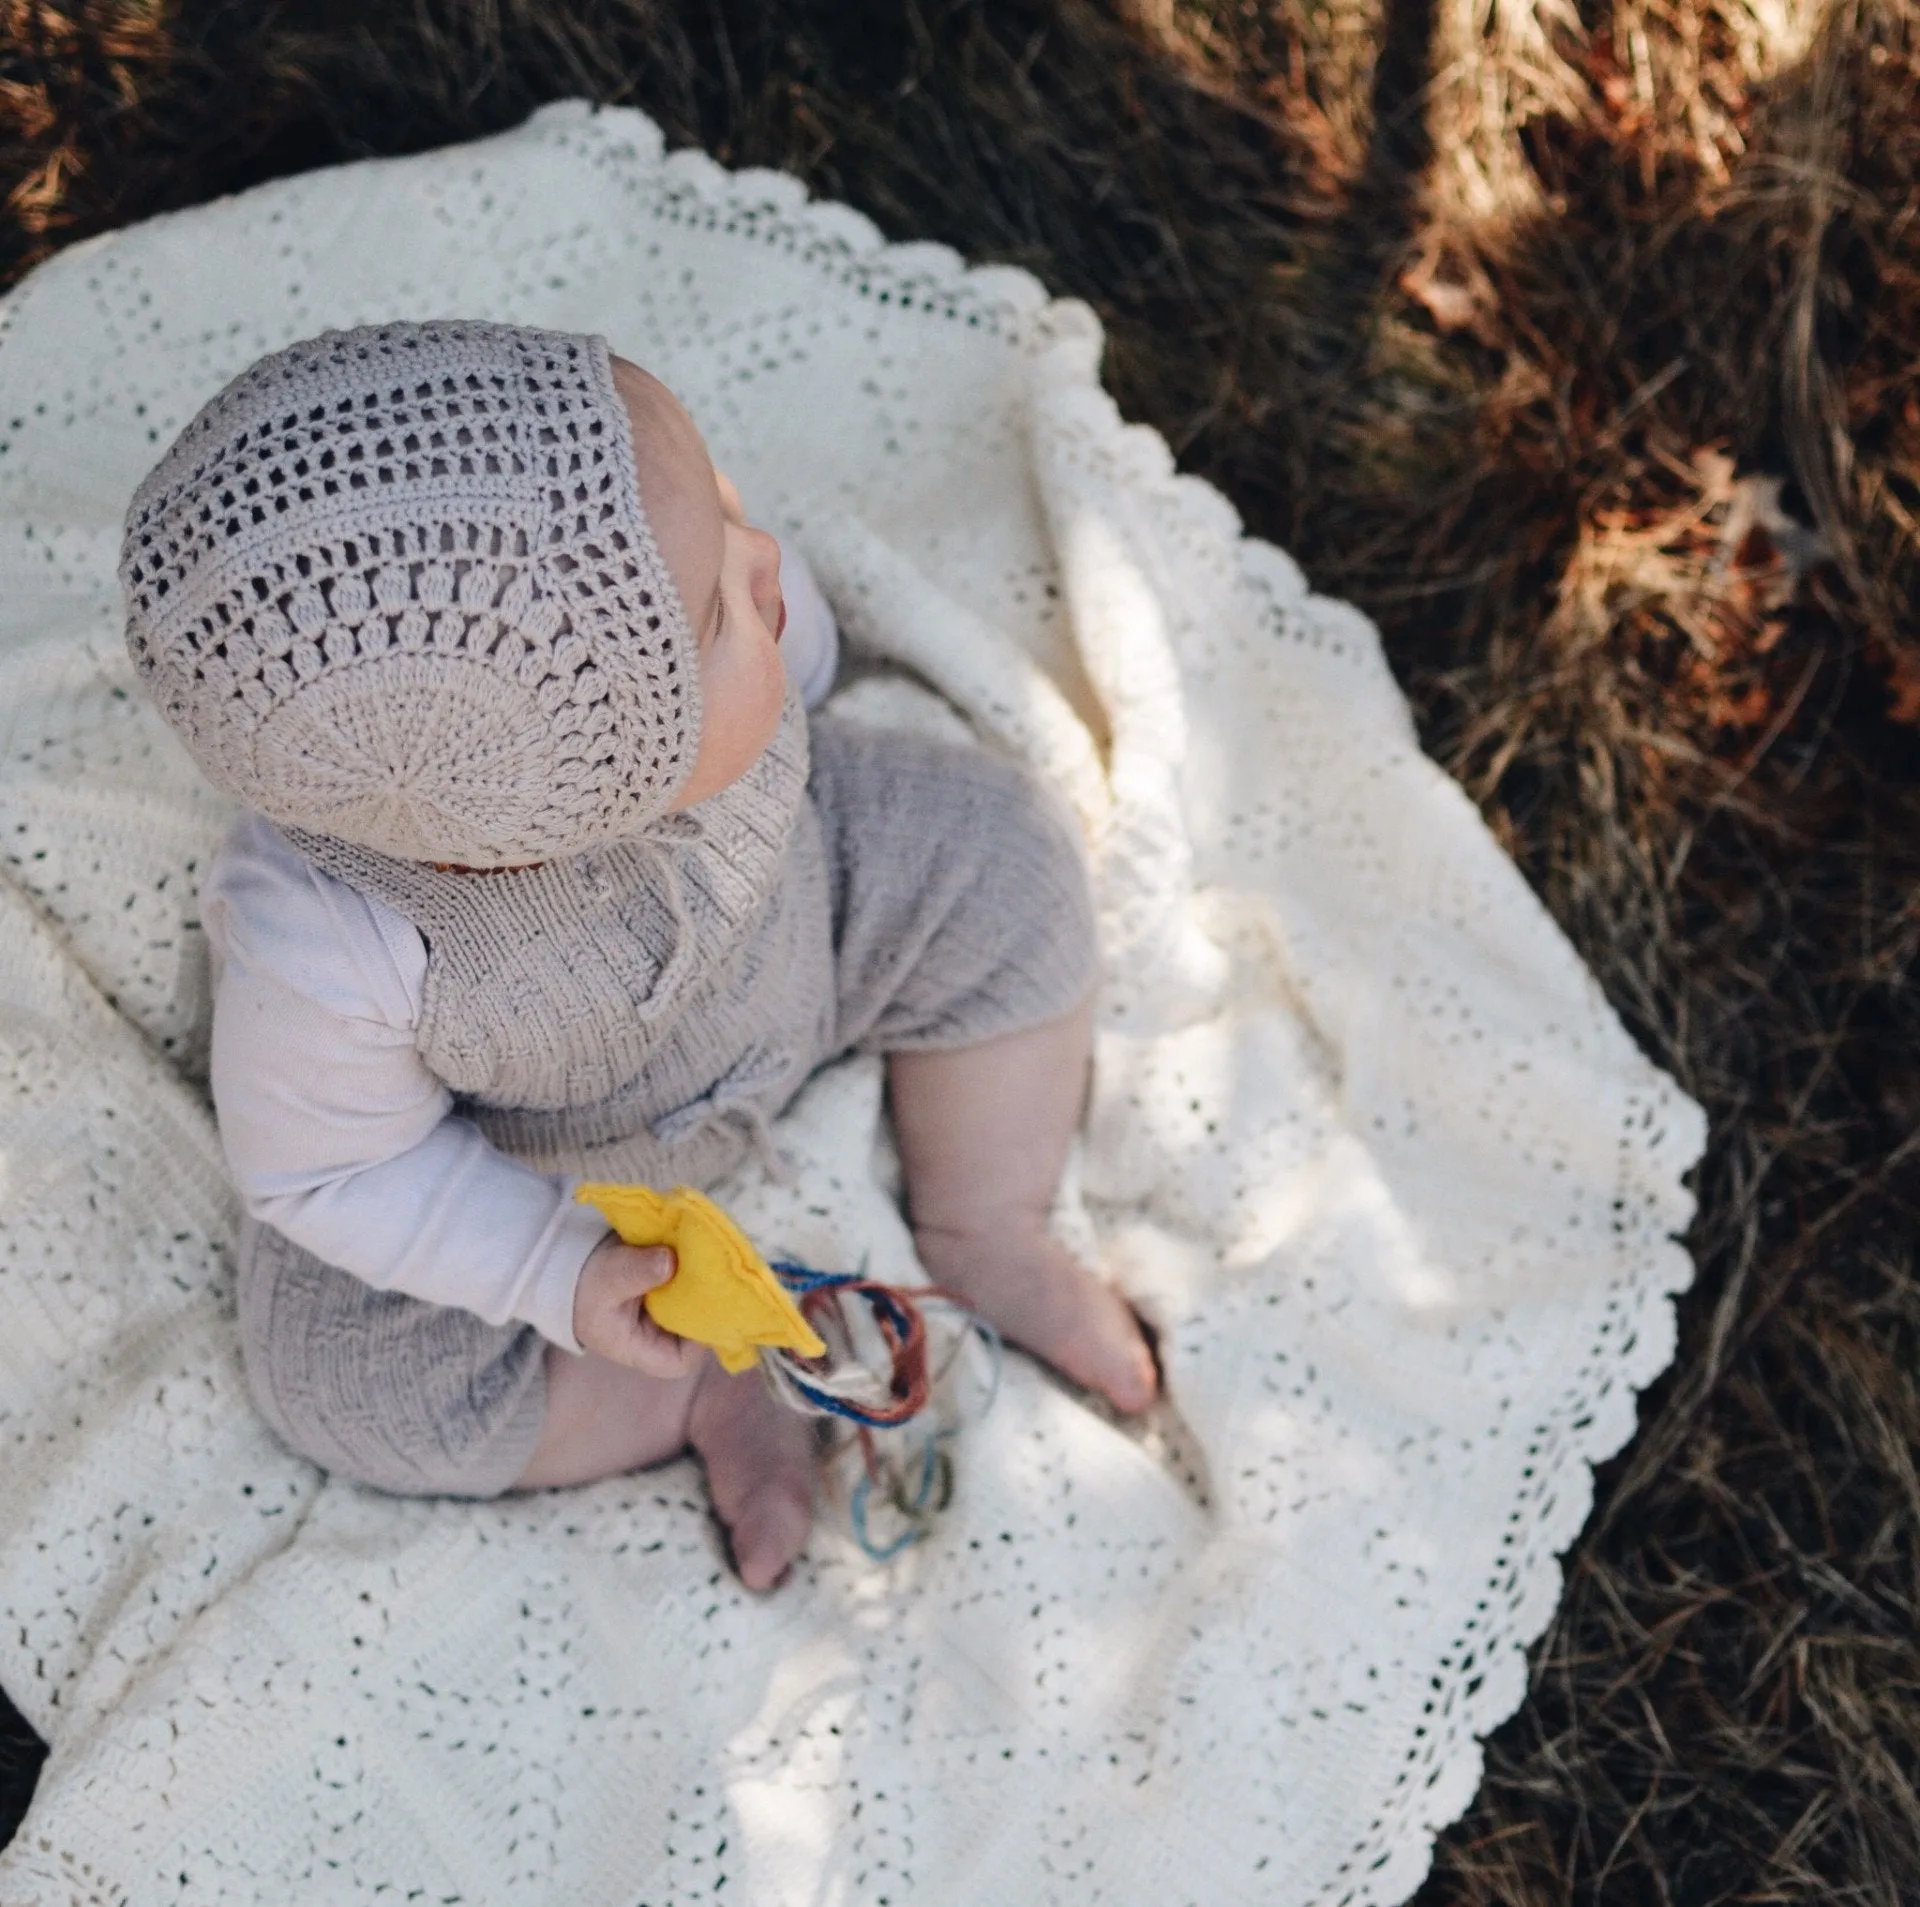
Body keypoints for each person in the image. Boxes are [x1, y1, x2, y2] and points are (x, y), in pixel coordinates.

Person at [121, 320, 1157, 1591]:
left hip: (799, 921)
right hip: (549, 1161)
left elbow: (781, 650)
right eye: (723, 611)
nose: (766, 562)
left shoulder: (697, 603)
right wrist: (556, 1268)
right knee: (351, 1386)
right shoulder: (329, 938)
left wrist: (761, 642)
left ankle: (987, 1214)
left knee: (1000, 851)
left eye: (718, 501)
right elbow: (332, 1170)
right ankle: (694, 1397)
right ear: (517, 829)